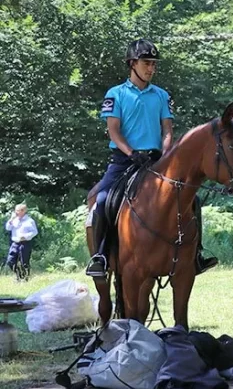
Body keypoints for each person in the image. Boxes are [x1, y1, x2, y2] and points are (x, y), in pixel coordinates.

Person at [87, 38, 217, 278]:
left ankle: (196, 255)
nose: (151, 68)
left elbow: (167, 129)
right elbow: (113, 131)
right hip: (124, 161)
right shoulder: (115, 94)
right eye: (147, 63)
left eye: (154, 64)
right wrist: (132, 153)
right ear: (132, 63)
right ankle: (101, 256)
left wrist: (166, 154)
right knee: (103, 200)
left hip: (156, 161)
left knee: (193, 200)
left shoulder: (161, 95)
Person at [5, 204, 38, 276]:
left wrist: (26, 236)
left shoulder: (29, 221)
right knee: (10, 261)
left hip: (25, 243)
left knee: (24, 262)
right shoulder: (14, 220)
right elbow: (8, 228)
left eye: (17, 211)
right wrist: (11, 219)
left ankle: (25, 277)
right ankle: (19, 275)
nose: (16, 212)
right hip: (15, 243)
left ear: (23, 211)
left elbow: (34, 232)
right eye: (15, 210)